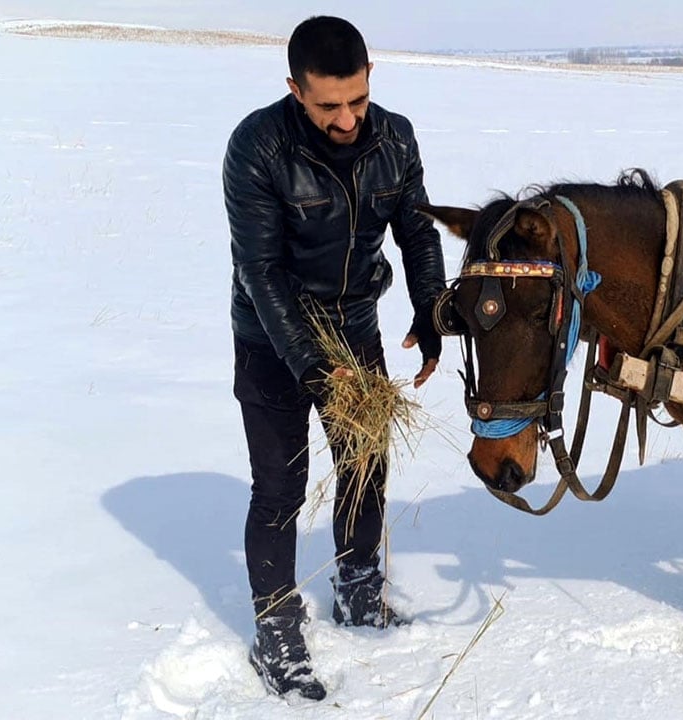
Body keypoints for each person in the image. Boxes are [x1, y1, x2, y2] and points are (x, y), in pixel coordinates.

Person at [223, 15, 444, 700]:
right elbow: (260, 271)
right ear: (294, 89)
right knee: (281, 487)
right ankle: (276, 629)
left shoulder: (395, 136)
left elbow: (415, 228)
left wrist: (431, 312)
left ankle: (358, 588)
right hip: (272, 338)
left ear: (370, 77)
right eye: (327, 106)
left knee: (364, 467)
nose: (347, 120)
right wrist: (311, 367)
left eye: (357, 100)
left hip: (353, 324)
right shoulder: (257, 147)